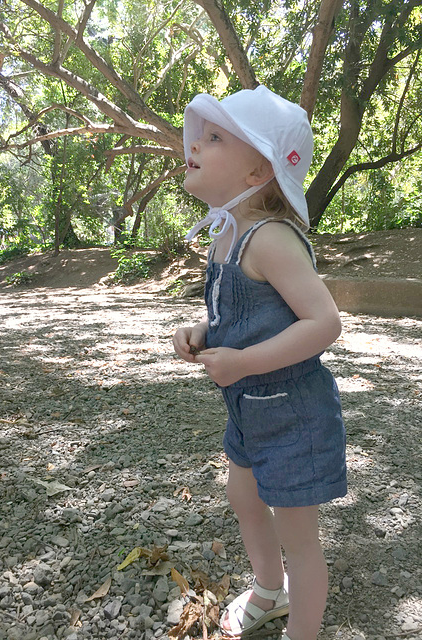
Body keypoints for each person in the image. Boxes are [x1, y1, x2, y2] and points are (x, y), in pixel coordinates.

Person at [173, 85, 347, 640]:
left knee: (300, 535)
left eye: (215, 137)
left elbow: (324, 323)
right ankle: (269, 590)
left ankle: (304, 630)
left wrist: (244, 360)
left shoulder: (270, 238)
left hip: (293, 412)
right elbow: (239, 312)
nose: (195, 143)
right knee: (244, 498)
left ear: (256, 174)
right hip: (249, 409)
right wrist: (203, 331)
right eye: (200, 134)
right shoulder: (225, 237)